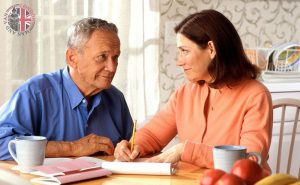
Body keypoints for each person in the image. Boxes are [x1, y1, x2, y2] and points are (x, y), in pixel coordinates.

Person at [114, 9, 273, 173]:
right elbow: (153, 135)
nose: (179, 61)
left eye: (184, 51)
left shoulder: (256, 95)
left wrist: (185, 150)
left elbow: (250, 160)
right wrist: (132, 146)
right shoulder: (185, 93)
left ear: (211, 49)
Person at [0, 18, 133, 160]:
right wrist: (72, 147)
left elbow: (133, 146)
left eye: (115, 57)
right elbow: (2, 144)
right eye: (102, 57)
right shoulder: (35, 93)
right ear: (72, 58)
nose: (112, 67)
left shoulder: (116, 98)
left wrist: (130, 149)